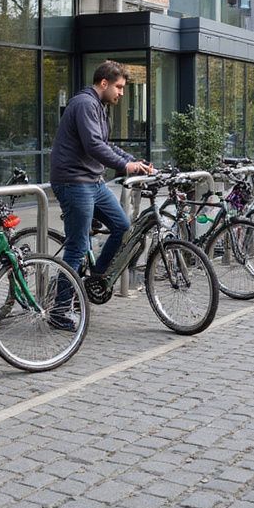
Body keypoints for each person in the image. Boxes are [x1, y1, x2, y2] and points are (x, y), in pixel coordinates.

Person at [50, 60, 154, 327]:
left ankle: (94, 280)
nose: (121, 93)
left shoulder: (98, 107)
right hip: (74, 182)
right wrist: (124, 165)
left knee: (122, 226)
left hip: (93, 182)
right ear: (104, 83)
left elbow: (105, 145)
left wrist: (135, 162)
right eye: (119, 87)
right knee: (76, 247)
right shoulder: (84, 104)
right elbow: (94, 145)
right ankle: (60, 311)